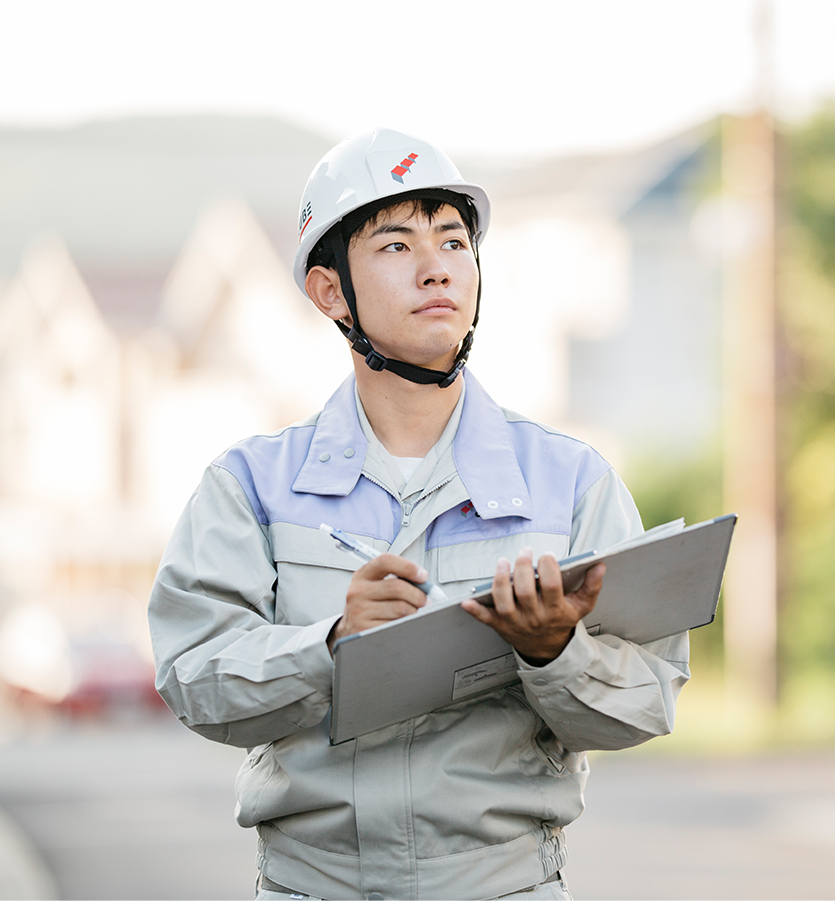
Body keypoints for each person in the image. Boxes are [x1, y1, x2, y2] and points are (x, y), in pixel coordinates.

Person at [148, 128, 691, 901]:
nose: (437, 265)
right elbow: (192, 677)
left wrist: (555, 649)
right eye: (396, 245)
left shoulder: (571, 482)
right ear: (330, 292)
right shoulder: (250, 487)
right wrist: (330, 645)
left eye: (454, 240)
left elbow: (643, 702)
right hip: (312, 887)